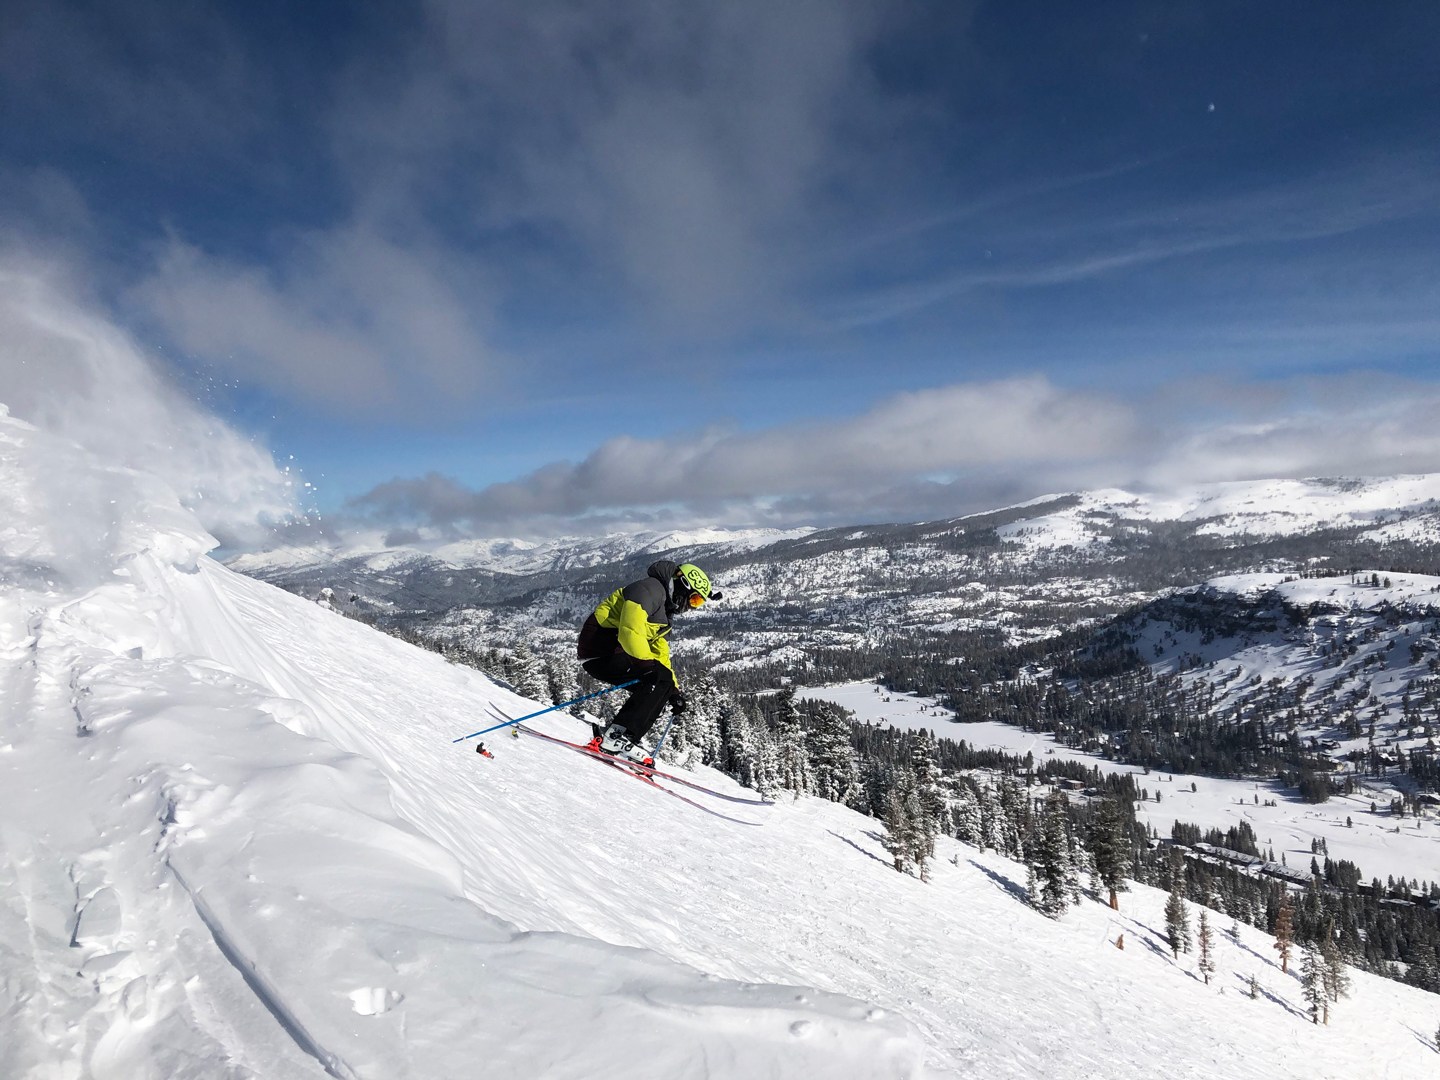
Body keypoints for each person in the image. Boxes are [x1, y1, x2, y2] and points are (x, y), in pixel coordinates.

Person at [576, 560, 719, 765]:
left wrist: (674, 691)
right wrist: (646, 668)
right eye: (695, 600)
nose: (692, 607)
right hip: (601, 649)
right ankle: (617, 737)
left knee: (663, 683)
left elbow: (659, 651)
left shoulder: (664, 608)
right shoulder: (648, 590)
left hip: (614, 651)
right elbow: (629, 630)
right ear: (683, 585)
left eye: (698, 603)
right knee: (656, 679)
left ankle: (621, 735)